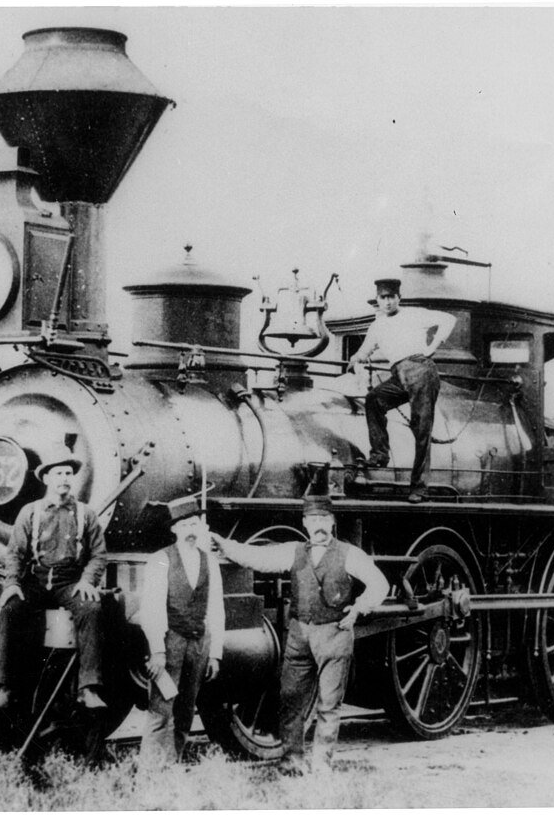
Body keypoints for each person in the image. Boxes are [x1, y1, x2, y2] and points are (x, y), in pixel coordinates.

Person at [213, 495, 388, 774]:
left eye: (324, 519)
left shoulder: (349, 554)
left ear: (332, 522)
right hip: (299, 634)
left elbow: (379, 583)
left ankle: (321, 765)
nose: (319, 525)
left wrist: (359, 608)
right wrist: (224, 544)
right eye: (313, 519)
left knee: (329, 703)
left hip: (334, 633)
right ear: (305, 523)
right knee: (290, 698)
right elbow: (256, 557)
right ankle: (292, 760)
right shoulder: (293, 551)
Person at [0, 446, 109, 711]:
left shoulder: (86, 514)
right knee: (9, 608)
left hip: (70, 583)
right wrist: (12, 583)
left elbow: (99, 554)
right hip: (36, 581)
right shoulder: (30, 512)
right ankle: (5, 687)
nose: (64, 478)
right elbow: (15, 553)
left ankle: (88, 688)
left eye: (68, 473)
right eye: (58, 473)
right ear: (46, 478)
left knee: (91, 608)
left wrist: (87, 581)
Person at [348, 278, 457, 503]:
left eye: (391, 297)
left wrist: (432, 347)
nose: (387, 302)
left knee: (421, 429)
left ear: (399, 298)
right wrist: (355, 359)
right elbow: (365, 350)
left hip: (420, 370)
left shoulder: (414, 314)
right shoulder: (377, 326)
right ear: (378, 300)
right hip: (398, 375)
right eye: (383, 298)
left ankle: (419, 489)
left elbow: (449, 319)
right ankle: (380, 454)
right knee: (374, 399)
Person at [138, 495, 225, 768]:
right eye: (184, 524)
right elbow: (151, 609)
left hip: (199, 644)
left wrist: (215, 654)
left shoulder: (210, 561)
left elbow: (216, 608)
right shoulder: (160, 560)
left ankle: (171, 767)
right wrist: (158, 650)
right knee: (161, 711)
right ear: (174, 529)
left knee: (186, 711)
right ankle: (150, 773)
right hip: (170, 643)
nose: (190, 530)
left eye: (194, 523)